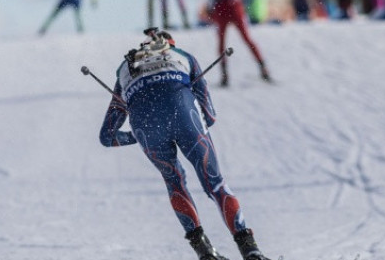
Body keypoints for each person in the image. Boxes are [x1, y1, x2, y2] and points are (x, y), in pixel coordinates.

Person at [98, 29, 272, 260]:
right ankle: (250, 251)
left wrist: (138, 136)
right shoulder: (185, 57)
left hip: (145, 126)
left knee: (174, 181)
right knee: (215, 184)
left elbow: (107, 136)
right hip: (184, 113)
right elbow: (210, 116)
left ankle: (205, 253)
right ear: (170, 44)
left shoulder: (124, 68)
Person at [207, 0, 270, 87]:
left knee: (246, 40)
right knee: (223, 44)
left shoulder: (230, 0)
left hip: (230, 10)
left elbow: (213, 15)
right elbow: (212, 15)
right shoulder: (220, 1)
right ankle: (225, 76)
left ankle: (263, 68)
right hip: (224, 11)